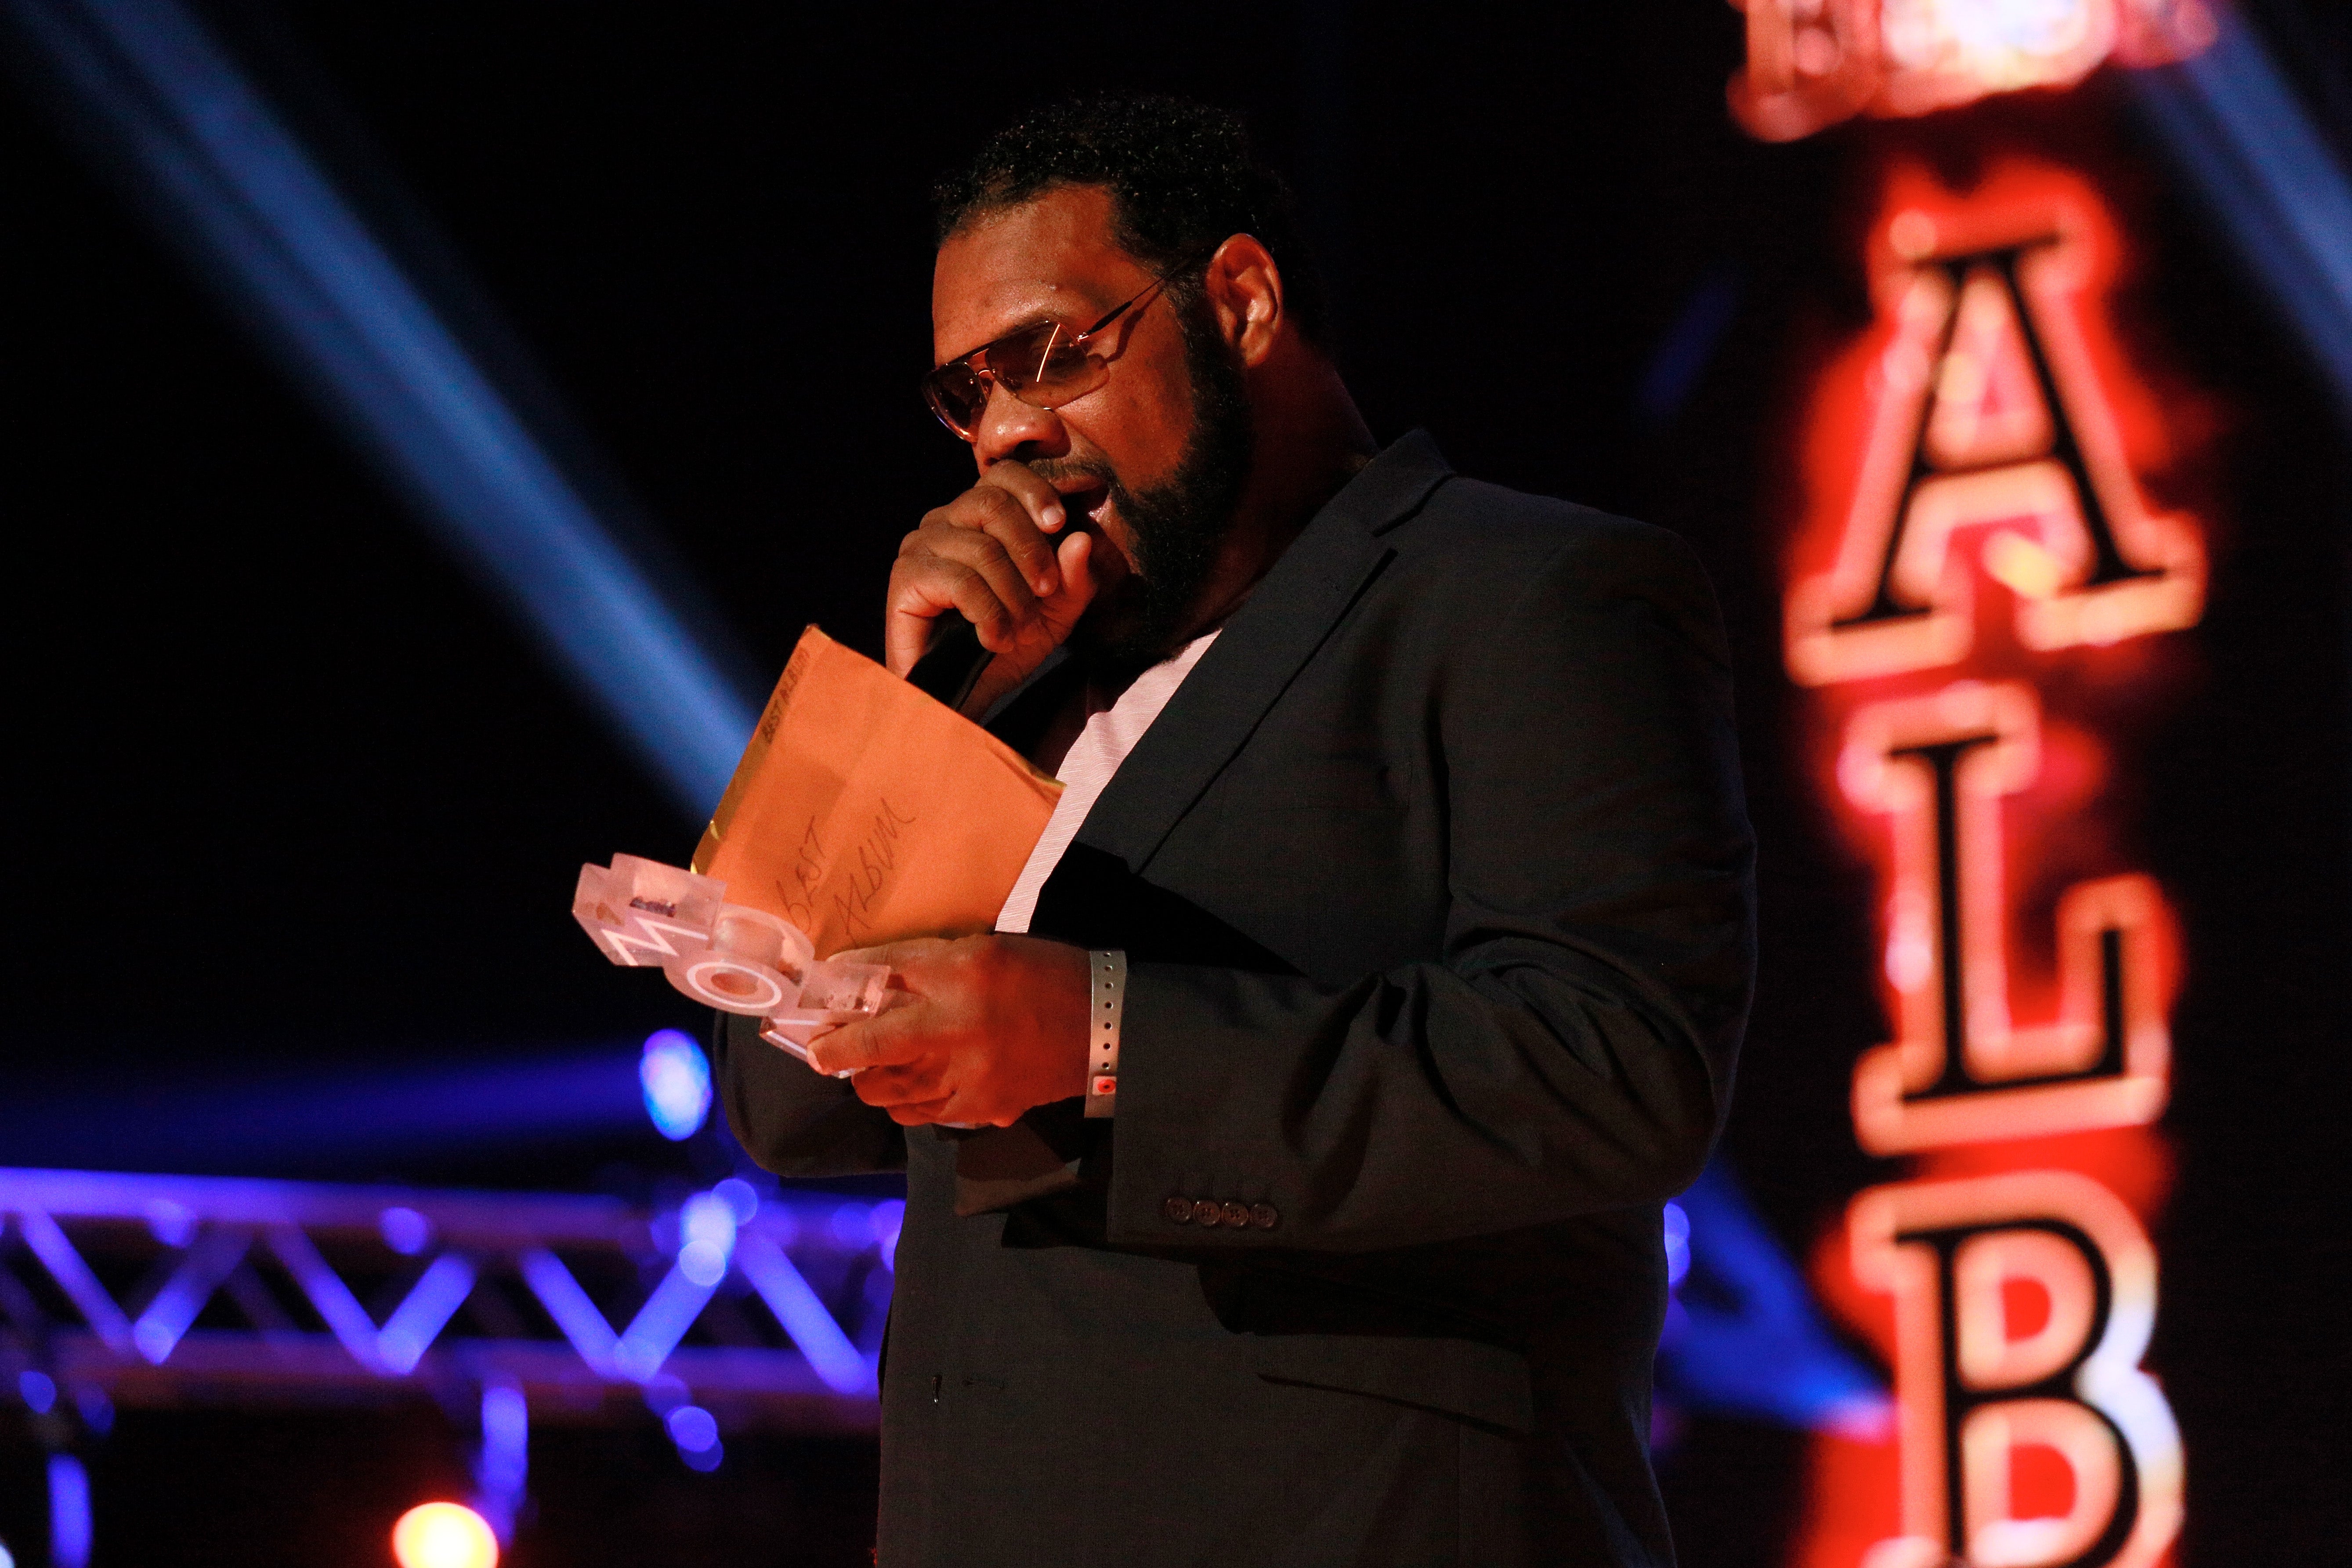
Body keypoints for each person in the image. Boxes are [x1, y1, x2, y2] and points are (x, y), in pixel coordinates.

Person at [713, 94, 1755, 1568]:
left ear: (1243, 302)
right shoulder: (1008, 685)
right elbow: (783, 1103)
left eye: (1054, 354)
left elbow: (1611, 1068)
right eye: (966, 394)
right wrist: (907, 722)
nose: (1008, 430)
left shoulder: (1531, 592)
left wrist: (1098, 1038)